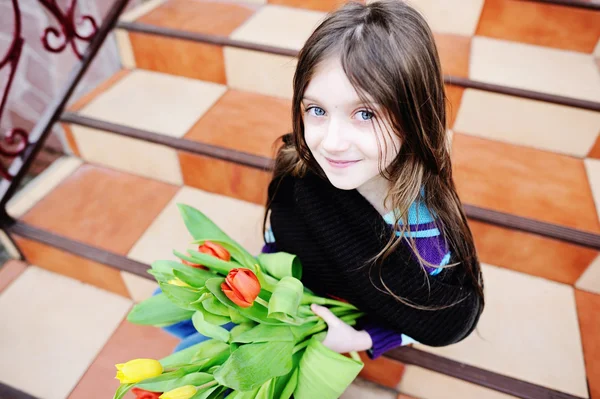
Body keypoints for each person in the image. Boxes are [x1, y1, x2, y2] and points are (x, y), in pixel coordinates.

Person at [161, 0, 484, 360]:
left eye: (364, 113)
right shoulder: (298, 168)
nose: (331, 143)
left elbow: (444, 318)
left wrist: (364, 339)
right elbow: (279, 241)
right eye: (317, 110)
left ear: (413, 117)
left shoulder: (423, 237)